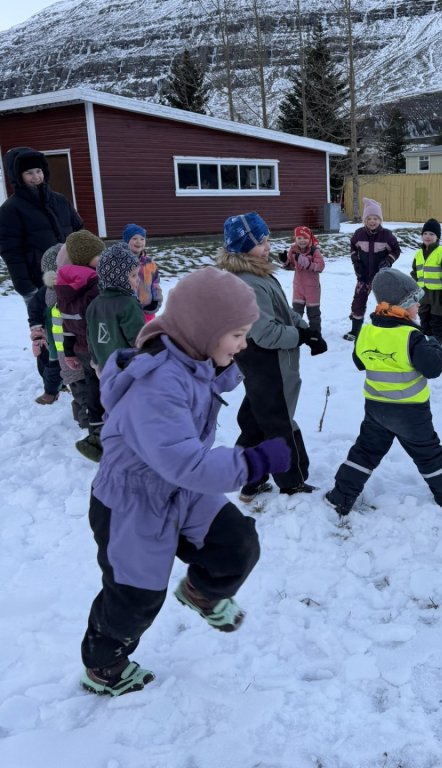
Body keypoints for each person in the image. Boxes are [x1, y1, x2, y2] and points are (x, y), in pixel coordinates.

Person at [80, 267, 292, 696]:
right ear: (203, 330)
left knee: (237, 545)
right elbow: (187, 463)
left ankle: (201, 593)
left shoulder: (194, 361)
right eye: (236, 334)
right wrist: (253, 463)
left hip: (179, 491)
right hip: (133, 505)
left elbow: (187, 458)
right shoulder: (157, 385)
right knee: (134, 599)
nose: (244, 344)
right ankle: (104, 667)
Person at [325, 269, 442, 516]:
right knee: (428, 454)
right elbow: (433, 368)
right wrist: (433, 346)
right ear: (404, 306)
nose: (418, 305)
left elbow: (359, 361)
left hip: (376, 408)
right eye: (414, 300)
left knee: (364, 452)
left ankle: (341, 496)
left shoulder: (366, 331)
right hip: (411, 413)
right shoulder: (412, 336)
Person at [218, 212, 327, 501]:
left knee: (257, 419)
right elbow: (265, 332)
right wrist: (300, 337)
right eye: (262, 241)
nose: (268, 246)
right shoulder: (248, 282)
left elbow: (282, 310)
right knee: (278, 421)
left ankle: (250, 479)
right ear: (244, 246)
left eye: (267, 240)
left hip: (264, 364)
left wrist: (307, 329)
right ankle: (291, 481)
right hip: (269, 363)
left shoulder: (257, 273)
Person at [0, 147, 83, 303]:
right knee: (48, 325)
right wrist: (26, 288)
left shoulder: (60, 201)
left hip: (71, 278)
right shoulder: (10, 209)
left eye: (38, 171)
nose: (36, 177)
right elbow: (11, 252)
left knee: (75, 325)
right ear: (18, 176)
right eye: (29, 173)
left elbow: (80, 234)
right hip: (39, 282)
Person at [55, 230, 106, 462]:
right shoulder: (93, 283)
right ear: (86, 258)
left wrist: (68, 350)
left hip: (80, 348)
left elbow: (65, 321)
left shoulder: (64, 286)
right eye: (98, 254)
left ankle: (94, 430)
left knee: (92, 388)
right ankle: (107, 434)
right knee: (105, 388)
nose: (102, 258)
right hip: (98, 347)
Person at [344, 198, 401, 341]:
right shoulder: (359, 234)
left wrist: (388, 261)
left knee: (384, 304)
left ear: (380, 219)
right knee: (358, 302)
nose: (372, 221)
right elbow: (352, 248)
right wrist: (355, 262)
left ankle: (386, 330)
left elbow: (396, 250)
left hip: (380, 277)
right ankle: (355, 330)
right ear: (365, 220)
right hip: (363, 276)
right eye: (369, 218)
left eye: (375, 218)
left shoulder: (387, 235)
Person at [86, 242, 146, 374]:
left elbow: (90, 338)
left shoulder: (94, 304)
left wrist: (96, 361)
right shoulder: (129, 304)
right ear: (118, 278)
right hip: (126, 370)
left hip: (104, 369)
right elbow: (139, 339)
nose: (138, 280)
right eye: (133, 275)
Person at [50, 244, 89, 428]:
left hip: (69, 353)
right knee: (82, 392)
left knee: (81, 390)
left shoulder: (59, 291)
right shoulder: (63, 294)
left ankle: (83, 418)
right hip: (70, 353)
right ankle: (85, 424)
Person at [26, 244, 63, 405]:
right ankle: (51, 391)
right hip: (54, 338)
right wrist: (37, 329)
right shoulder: (45, 292)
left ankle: (70, 384)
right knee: (53, 362)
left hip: (74, 335)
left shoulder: (75, 287)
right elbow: (34, 309)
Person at [410, 217, 442, 345]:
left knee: (437, 317)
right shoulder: (418, 253)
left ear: (437, 237)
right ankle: (426, 336)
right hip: (422, 293)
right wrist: (413, 287)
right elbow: (414, 271)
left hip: (438, 293)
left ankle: (437, 340)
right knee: (424, 316)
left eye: (431, 234)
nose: (428, 236)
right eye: (425, 233)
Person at [276, 225, 325, 333]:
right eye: (299, 238)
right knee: (296, 312)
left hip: (312, 288)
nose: (302, 241)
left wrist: (306, 262)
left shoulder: (314, 251)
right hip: (298, 287)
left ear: (309, 238)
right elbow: (291, 266)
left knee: (313, 313)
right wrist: (285, 261)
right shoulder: (293, 250)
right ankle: (296, 332)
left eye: (305, 238)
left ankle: (315, 333)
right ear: (295, 239)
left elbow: (320, 267)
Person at [123, 224, 163, 321]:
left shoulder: (149, 262)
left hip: (147, 310)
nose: (139, 242)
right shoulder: (122, 262)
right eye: (134, 238)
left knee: (148, 334)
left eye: (142, 239)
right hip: (127, 312)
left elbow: (155, 283)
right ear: (127, 240)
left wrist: (155, 301)